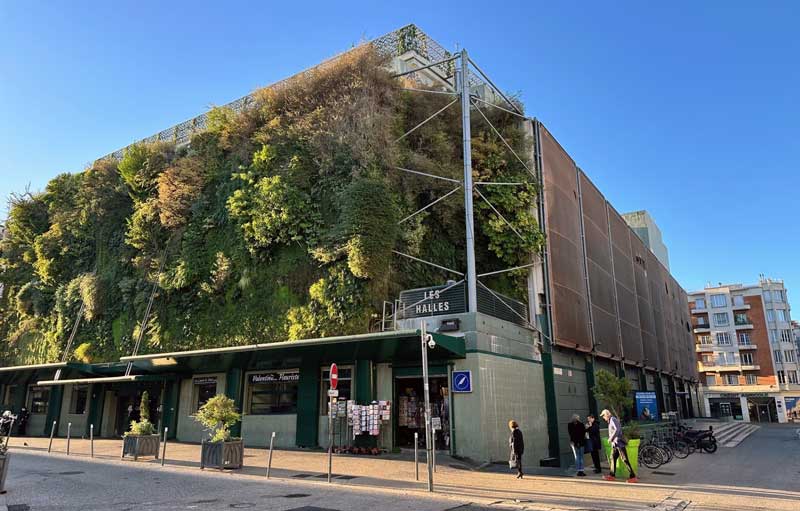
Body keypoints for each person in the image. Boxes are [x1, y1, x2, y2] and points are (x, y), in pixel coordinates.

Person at [600, 409, 637, 483]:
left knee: (625, 459)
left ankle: (633, 477)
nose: (603, 418)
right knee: (613, 458)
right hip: (615, 444)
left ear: (607, 414)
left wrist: (611, 438)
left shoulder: (613, 419)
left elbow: (617, 429)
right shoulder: (610, 420)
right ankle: (611, 475)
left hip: (619, 443)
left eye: (603, 416)